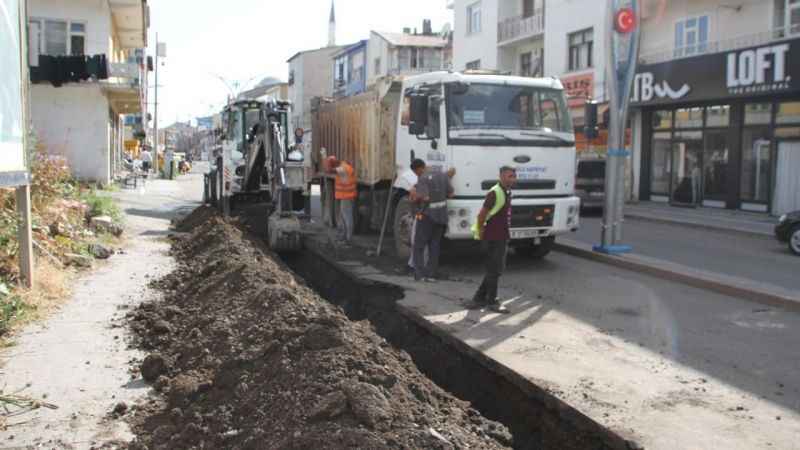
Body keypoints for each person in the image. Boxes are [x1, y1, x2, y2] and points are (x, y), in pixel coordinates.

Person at [470, 166, 517, 313]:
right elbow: (481, 215)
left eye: (514, 176)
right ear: (501, 177)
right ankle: (491, 301)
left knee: (494, 269)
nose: (513, 179)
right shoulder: (494, 193)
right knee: (495, 269)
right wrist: (481, 231)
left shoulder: (506, 192)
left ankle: (479, 298)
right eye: (509, 176)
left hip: (501, 235)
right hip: (493, 236)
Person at [412, 167, 455, 282]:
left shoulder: (423, 178)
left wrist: (415, 198)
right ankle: (431, 274)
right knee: (434, 245)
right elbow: (451, 194)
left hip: (426, 215)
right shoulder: (443, 175)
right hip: (441, 215)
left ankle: (420, 274)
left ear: (419, 169)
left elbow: (424, 197)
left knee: (419, 245)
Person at [394, 159, 427, 271]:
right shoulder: (417, 178)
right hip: (421, 215)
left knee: (417, 239)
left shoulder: (418, 179)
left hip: (421, 215)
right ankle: (414, 264)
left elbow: (417, 198)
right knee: (417, 239)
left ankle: (415, 265)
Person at [327, 156, 357, 245]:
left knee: (347, 217)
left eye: (332, 165)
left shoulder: (343, 169)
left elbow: (331, 171)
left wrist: (324, 158)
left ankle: (348, 239)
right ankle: (344, 236)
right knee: (344, 217)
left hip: (347, 196)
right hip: (345, 196)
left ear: (335, 164)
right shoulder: (343, 166)